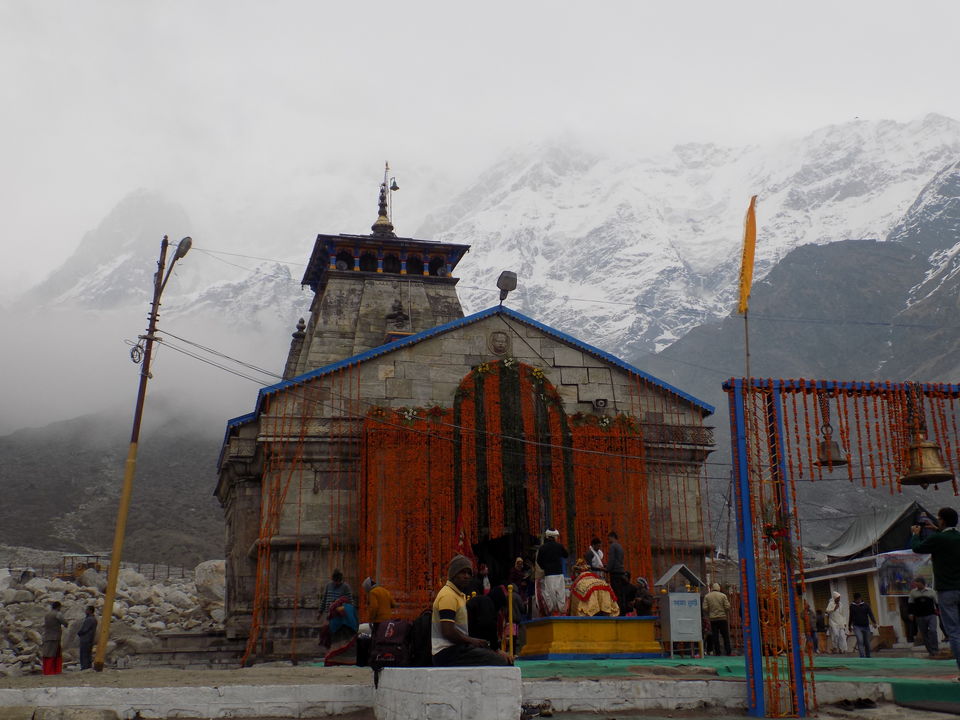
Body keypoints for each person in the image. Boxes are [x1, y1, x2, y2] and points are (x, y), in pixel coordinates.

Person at [432, 554, 510, 666]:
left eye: (469, 573)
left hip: (456, 650)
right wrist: (472, 641)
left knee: (492, 657)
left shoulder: (458, 595)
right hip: (447, 652)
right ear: (453, 574)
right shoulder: (448, 596)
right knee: (499, 662)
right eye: (462, 572)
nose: (467, 576)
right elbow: (447, 631)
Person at [911, 506, 960, 677]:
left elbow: (917, 548)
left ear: (943, 521)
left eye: (939, 519)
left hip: (947, 591)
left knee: (954, 631)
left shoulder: (938, 539)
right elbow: (950, 537)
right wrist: (938, 529)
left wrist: (916, 534)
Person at [536, 529, 569, 616]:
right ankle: (561, 611)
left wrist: (545, 567)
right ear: (554, 537)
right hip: (559, 573)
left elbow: (539, 561)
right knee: (560, 593)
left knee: (550, 594)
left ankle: (552, 612)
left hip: (549, 574)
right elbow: (566, 555)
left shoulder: (542, 548)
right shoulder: (559, 546)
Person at [908, 576, 940, 656]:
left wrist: (939, 612)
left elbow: (937, 603)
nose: (916, 585)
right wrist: (911, 614)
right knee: (924, 634)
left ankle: (935, 649)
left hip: (931, 615)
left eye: (917, 583)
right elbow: (910, 604)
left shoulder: (931, 591)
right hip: (919, 616)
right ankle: (930, 651)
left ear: (922, 583)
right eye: (915, 583)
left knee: (933, 631)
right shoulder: (913, 592)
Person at [703, 583, 732, 655]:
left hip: (713, 619)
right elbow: (727, 607)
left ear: (712, 588)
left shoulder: (707, 596)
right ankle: (728, 651)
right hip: (722, 618)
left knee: (715, 636)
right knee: (725, 636)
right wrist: (724, 611)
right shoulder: (723, 596)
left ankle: (717, 652)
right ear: (719, 588)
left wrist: (710, 612)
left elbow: (704, 608)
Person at [605, 531, 629, 616]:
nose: (608, 540)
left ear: (612, 537)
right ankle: (623, 611)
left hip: (615, 572)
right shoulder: (620, 546)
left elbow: (612, 560)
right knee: (621, 593)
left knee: (616, 593)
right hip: (621, 571)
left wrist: (607, 568)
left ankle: (618, 611)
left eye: (609, 538)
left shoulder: (613, 546)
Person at [41, 601, 68, 675]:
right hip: (55, 637)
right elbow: (65, 623)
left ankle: (46, 670)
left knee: (47, 653)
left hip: (47, 636)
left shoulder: (47, 614)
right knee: (54, 654)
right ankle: (53, 670)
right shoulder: (58, 614)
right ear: (58, 607)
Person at [848, 593, 877, 658]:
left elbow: (870, 614)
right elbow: (851, 616)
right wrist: (849, 625)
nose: (858, 601)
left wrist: (874, 622)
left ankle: (868, 656)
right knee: (860, 640)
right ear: (854, 600)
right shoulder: (852, 606)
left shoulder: (866, 605)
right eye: (857, 600)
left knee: (867, 643)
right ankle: (862, 657)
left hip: (866, 626)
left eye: (859, 599)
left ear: (860, 598)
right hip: (857, 626)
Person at [76, 605, 97, 670]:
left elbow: (84, 629)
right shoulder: (94, 619)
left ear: (90, 611)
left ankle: (84, 667)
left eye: (87, 610)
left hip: (86, 639)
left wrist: (79, 633)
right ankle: (88, 666)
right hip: (90, 639)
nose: (85, 611)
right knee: (88, 653)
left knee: (84, 654)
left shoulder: (89, 619)